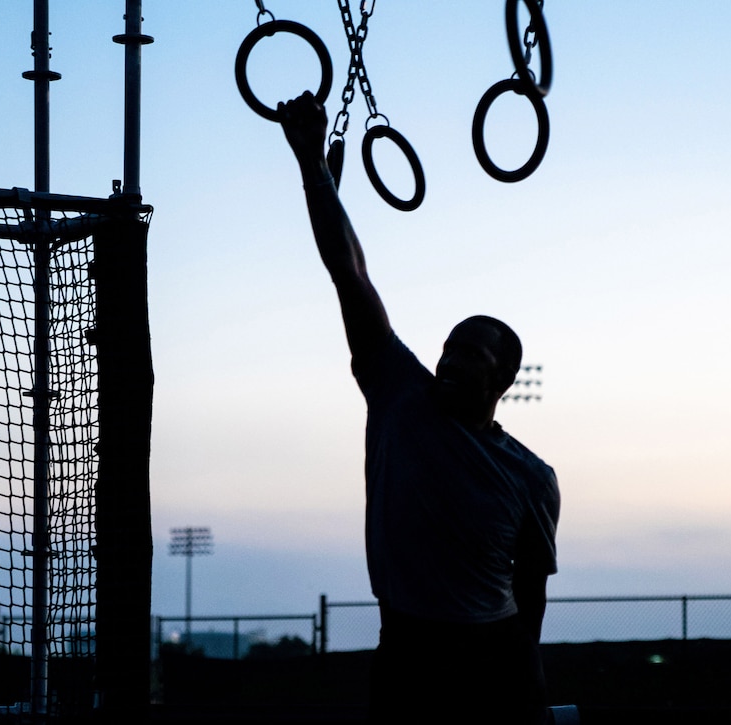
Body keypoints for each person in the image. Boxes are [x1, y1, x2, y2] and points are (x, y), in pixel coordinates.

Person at [278, 91, 561, 724]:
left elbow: (531, 602)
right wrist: (312, 166)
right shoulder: (400, 394)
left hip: (490, 660)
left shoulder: (532, 479)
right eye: (448, 347)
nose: (451, 360)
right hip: (406, 648)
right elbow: (350, 273)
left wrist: (532, 691)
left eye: (471, 354)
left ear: (505, 377)